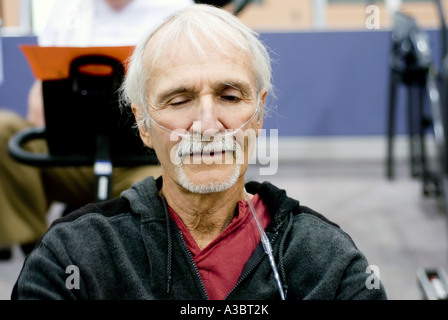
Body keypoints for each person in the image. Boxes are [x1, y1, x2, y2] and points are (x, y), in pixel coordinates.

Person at [12, 4, 387, 300]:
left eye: (229, 96)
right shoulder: (71, 259)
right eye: (179, 100)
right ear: (143, 124)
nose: (207, 125)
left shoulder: (326, 263)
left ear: (258, 114)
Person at [0, 0, 193, 260]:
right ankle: (39, 253)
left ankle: (153, 265)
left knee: (178, 179)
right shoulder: (67, 9)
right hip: (72, 157)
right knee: (4, 129)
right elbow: (41, 91)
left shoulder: (178, 9)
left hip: (145, 159)